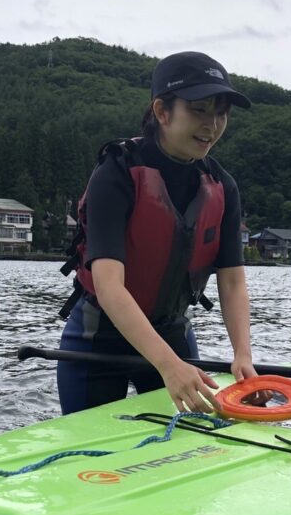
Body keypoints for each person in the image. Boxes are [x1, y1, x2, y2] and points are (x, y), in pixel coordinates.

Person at [57, 51, 261, 415]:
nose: (212, 125)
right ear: (162, 111)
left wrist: (242, 356)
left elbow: (231, 282)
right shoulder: (117, 171)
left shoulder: (222, 185)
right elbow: (109, 285)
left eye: (221, 113)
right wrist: (167, 366)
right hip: (97, 341)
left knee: (190, 447)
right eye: (199, 109)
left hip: (173, 334)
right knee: (93, 463)